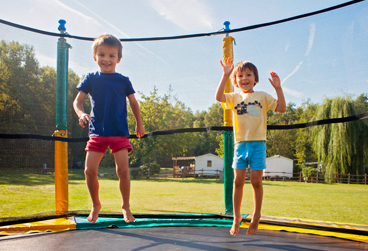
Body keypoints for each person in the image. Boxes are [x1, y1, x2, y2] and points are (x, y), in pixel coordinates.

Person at [73, 34, 145, 224]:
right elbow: (77, 101)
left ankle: (125, 207)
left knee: (123, 171)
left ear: (119, 59)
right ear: (95, 56)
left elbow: (133, 102)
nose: (106, 59)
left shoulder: (123, 80)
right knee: (89, 171)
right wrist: (81, 114)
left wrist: (139, 123)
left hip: (119, 132)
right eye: (102, 54)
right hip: (97, 132)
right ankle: (96, 204)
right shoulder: (90, 78)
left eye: (112, 56)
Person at [215, 58, 286, 236]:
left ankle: (256, 217)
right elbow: (218, 97)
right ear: (235, 80)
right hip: (240, 145)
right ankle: (236, 217)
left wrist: (278, 88)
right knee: (237, 181)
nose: (244, 78)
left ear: (255, 78)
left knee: (256, 182)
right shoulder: (234, 97)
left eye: (248, 74)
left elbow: (282, 108)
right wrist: (225, 74)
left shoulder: (262, 96)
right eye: (240, 75)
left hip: (257, 145)